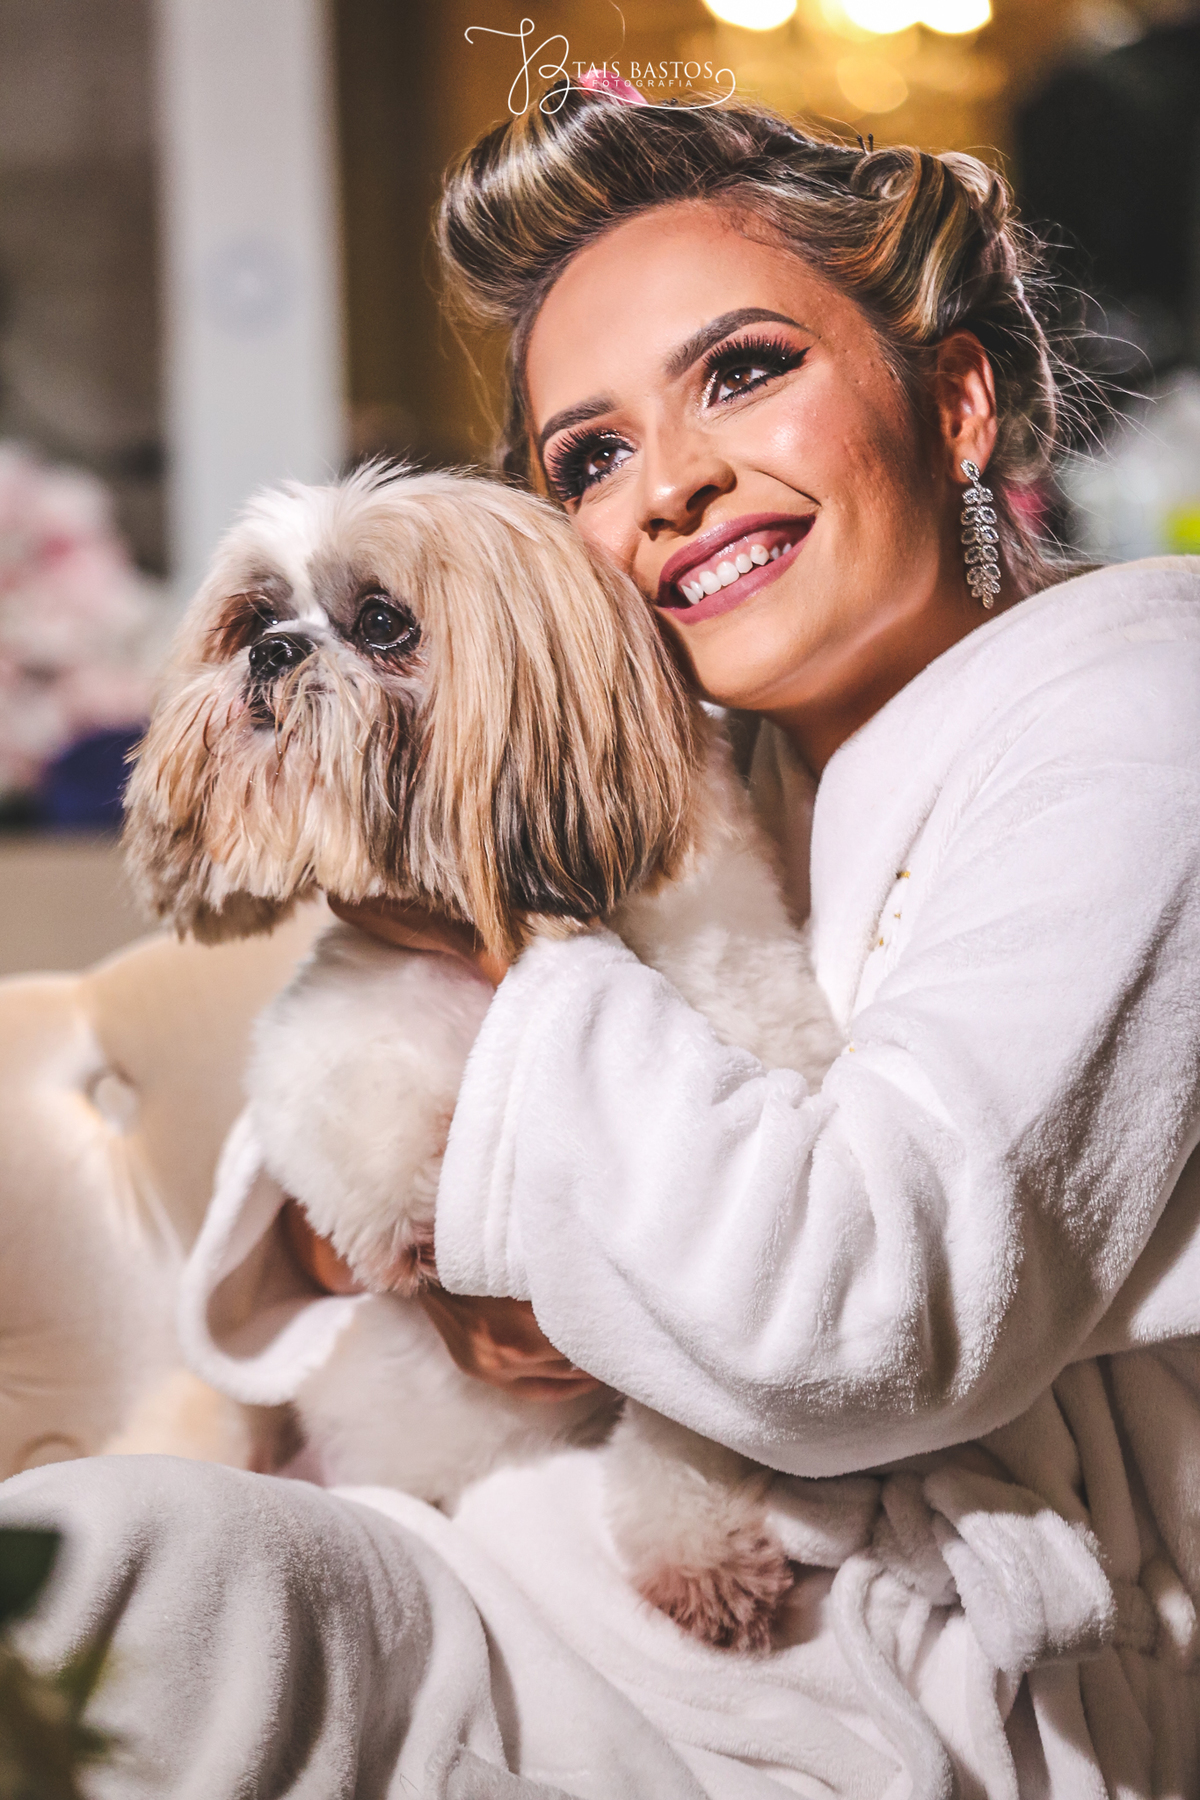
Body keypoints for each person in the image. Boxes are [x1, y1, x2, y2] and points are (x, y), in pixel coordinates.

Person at [4, 88, 1200, 1797]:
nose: (675, 483)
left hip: (885, 1641)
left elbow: (871, 1317)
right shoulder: (712, 774)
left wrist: (504, 952)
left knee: (139, 1596)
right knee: (103, 1562)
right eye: (591, 456)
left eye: (743, 372)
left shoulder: (1140, 719)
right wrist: (416, 1262)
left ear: (956, 400)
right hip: (516, 1544)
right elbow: (371, 1189)